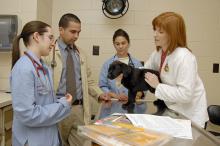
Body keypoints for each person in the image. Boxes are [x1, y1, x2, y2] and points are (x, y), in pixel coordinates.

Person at [43, 13, 108, 146]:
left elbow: (88, 80)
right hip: (57, 107)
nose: (76, 36)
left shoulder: (81, 54)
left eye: (78, 32)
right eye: (73, 32)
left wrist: (100, 94)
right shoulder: (48, 53)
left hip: (78, 109)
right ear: (61, 30)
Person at [10, 21, 72, 146]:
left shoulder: (43, 67)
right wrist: (63, 105)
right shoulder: (23, 68)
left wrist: (60, 101)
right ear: (37, 37)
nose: (53, 43)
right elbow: (28, 114)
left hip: (47, 136)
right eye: (50, 38)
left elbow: (44, 101)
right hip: (33, 140)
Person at [144, 12, 209, 127]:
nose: (155, 34)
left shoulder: (185, 57)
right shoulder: (158, 53)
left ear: (172, 34)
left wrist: (158, 86)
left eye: (160, 32)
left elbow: (185, 95)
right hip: (173, 110)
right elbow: (145, 70)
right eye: (154, 30)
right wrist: (127, 73)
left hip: (190, 116)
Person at [99, 29, 147, 119]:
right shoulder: (107, 64)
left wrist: (136, 94)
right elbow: (102, 85)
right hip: (112, 109)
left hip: (131, 110)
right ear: (114, 45)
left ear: (128, 43)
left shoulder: (137, 64)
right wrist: (114, 95)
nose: (120, 46)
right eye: (117, 44)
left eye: (123, 43)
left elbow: (143, 87)